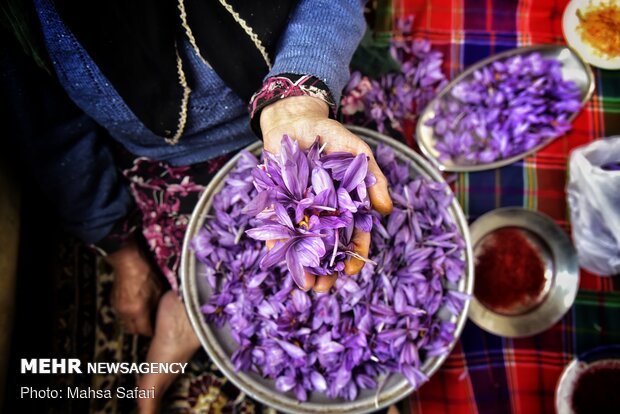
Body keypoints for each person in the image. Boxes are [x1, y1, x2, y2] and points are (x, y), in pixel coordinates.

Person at [2, 0, 392, 412]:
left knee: (373, 220)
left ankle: (366, 375)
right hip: (175, 157)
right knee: (221, 270)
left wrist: (299, 96)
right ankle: (186, 311)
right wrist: (120, 250)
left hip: (302, 103)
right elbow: (50, 135)